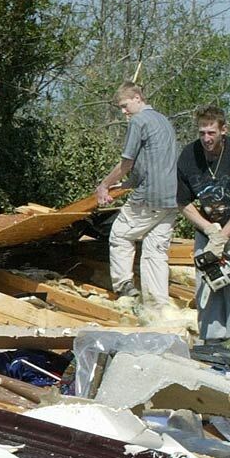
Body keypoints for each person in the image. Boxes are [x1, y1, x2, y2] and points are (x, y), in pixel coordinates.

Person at [176, 105, 230, 348]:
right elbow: (183, 202)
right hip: (208, 229)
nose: (206, 138)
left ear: (224, 130)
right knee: (209, 284)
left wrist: (223, 237)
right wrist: (209, 231)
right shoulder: (188, 156)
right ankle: (211, 343)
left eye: (211, 132)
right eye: (202, 132)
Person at [94, 82, 179, 309]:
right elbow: (151, 164)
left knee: (120, 235)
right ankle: (158, 306)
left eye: (125, 105)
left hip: (149, 197)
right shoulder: (163, 121)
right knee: (155, 252)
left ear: (138, 97)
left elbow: (127, 162)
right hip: (172, 198)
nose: (123, 112)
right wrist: (123, 185)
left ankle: (124, 287)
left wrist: (104, 185)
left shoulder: (139, 121)